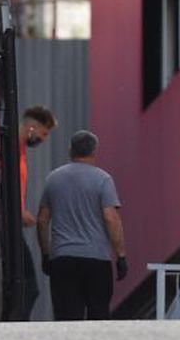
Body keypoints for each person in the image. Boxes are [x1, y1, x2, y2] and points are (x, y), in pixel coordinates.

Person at [36, 130, 128, 320]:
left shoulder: (53, 179)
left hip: (63, 259)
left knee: (66, 316)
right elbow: (111, 219)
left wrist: (45, 253)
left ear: (71, 150)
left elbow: (42, 220)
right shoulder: (103, 180)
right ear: (95, 151)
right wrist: (120, 256)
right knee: (98, 314)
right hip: (96, 260)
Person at [17, 105, 56, 320]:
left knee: (26, 285)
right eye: (43, 133)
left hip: (14, 221)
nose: (44, 139)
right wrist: (19, 212)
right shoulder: (14, 148)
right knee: (29, 285)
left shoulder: (20, 150)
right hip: (10, 224)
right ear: (31, 127)